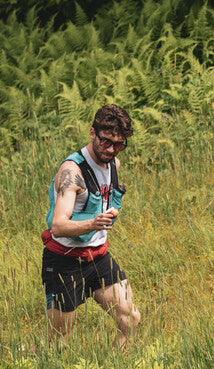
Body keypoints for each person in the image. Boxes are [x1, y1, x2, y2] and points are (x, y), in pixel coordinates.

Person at [41, 104, 140, 349]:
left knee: (131, 319)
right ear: (92, 132)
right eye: (106, 142)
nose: (111, 150)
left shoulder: (113, 164)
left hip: (98, 257)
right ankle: (24, 359)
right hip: (64, 261)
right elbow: (59, 226)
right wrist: (93, 223)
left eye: (119, 144)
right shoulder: (72, 172)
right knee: (58, 343)